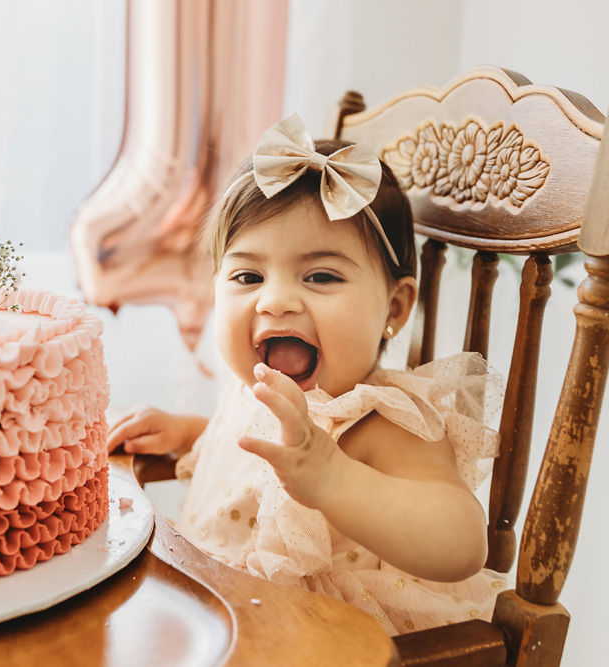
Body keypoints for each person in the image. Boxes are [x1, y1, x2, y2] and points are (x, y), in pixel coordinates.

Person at [106, 114, 506, 635]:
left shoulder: (382, 421)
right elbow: (257, 469)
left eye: (320, 275)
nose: (274, 300)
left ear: (396, 307)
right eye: (248, 275)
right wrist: (190, 435)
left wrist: (334, 479)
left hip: (310, 638)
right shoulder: (255, 389)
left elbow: (463, 542)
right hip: (216, 614)